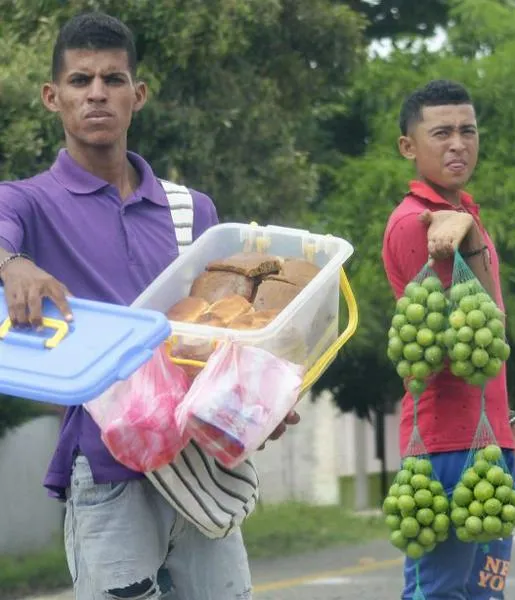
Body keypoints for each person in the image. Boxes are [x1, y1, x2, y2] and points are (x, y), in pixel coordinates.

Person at [0, 12, 298, 600]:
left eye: (113, 80)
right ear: (51, 96)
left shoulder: (194, 211)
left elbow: (225, 333)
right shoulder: (28, 202)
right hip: (108, 471)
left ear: (137, 95)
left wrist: (259, 404)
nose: (96, 94)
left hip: (203, 471)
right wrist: (12, 263)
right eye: (80, 80)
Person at [381, 79, 515, 600]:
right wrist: (462, 237)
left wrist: (508, 428)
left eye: (467, 131)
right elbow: (453, 346)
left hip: (489, 445)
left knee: (486, 593)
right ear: (409, 146)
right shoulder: (414, 224)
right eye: (441, 132)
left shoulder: (461, 216)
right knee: (441, 593)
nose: (457, 145)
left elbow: (490, 335)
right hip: (445, 448)